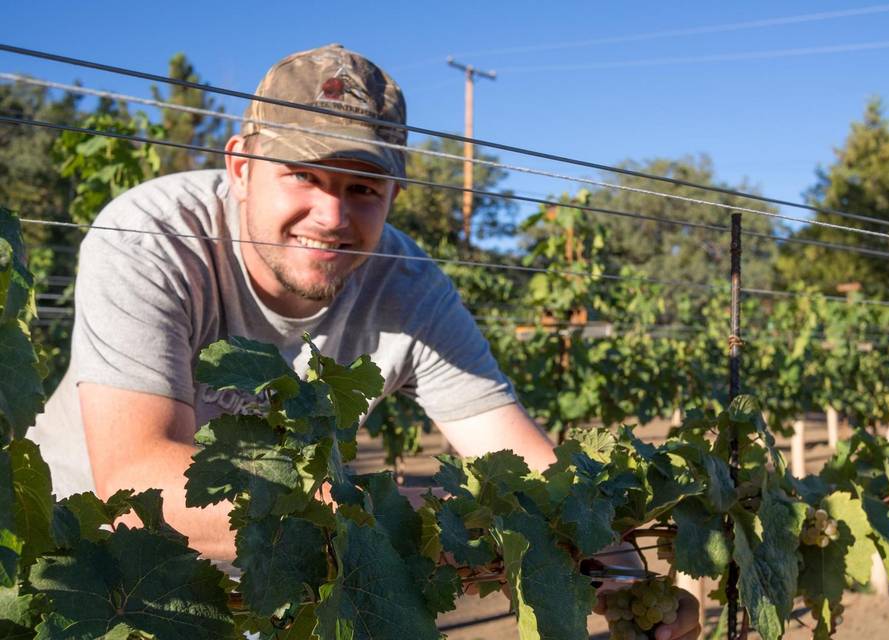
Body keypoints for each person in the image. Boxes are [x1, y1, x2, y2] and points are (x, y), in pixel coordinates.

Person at [28, 44, 700, 639]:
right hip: (81, 577)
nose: (332, 216)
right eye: (303, 175)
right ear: (240, 165)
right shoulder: (155, 237)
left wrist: (627, 577)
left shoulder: (409, 286)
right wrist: (384, 515)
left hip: (271, 584)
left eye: (363, 188)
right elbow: (135, 490)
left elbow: (521, 462)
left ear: (395, 193)